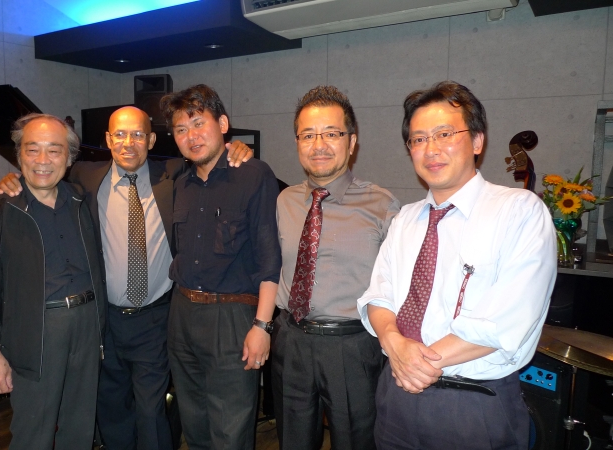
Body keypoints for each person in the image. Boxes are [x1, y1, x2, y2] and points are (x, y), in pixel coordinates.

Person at [0, 106, 254, 450]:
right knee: (111, 407)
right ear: (107, 139)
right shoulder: (84, 177)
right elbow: (42, 174)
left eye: (137, 135)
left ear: (151, 140)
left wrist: (237, 149)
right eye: (119, 134)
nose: (128, 143)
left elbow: (210, 157)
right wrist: (12, 180)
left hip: (155, 319)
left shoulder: (174, 173)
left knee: (151, 410)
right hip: (104, 320)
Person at [357, 81, 557, 450]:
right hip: (395, 395)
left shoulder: (520, 211)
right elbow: (379, 296)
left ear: (477, 140)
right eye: (418, 139)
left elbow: (506, 320)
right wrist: (394, 343)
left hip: (473, 404)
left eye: (444, 134)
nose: (430, 149)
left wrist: (416, 363)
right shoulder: (405, 219)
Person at [0, 113, 106, 450]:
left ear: (69, 158)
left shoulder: (82, 200)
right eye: (32, 149)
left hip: (87, 325)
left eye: (54, 150)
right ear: (19, 155)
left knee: (80, 429)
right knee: (32, 434)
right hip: (35, 332)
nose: (42, 160)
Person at [272, 85, 399, 450]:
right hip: (291, 342)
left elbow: (399, 285)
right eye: (308, 135)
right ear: (298, 142)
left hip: (353, 347)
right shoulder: (285, 201)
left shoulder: (382, 205)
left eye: (331, 133)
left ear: (352, 142)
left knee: (356, 441)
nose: (319, 145)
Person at [160, 84, 281, 450]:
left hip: (231, 318)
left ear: (223, 124)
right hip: (182, 314)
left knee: (231, 431)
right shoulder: (180, 184)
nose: (191, 136)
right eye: (181, 129)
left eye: (199, 123)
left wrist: (262, 325)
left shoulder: (254, 175)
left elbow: (269, 259)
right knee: (194, 425)